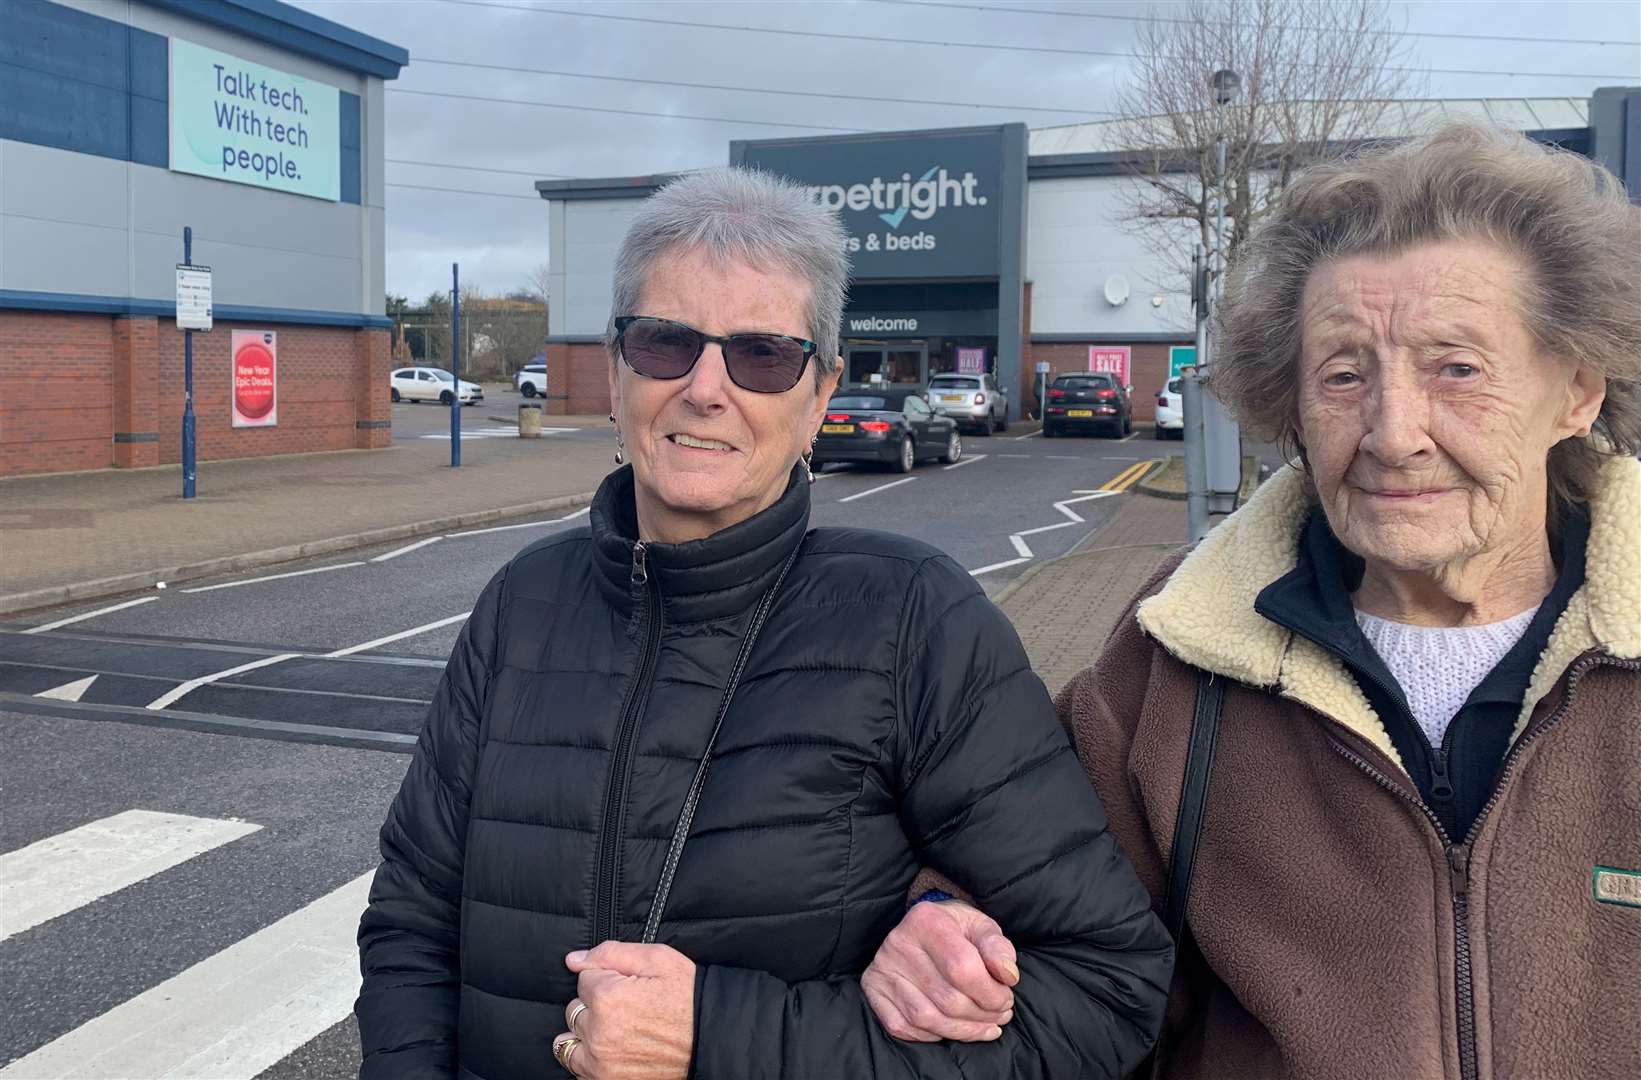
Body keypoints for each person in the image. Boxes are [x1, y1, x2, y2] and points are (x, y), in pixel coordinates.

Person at [355, 167, 1173, 1080]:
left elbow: (1106, 990)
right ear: (619, 369)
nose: (706, 388)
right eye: (667, 341)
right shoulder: (521, 604)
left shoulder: (913, 623)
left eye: (761, 356)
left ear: (819, 395)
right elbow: (413, 922)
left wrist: (723, 1037)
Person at [859, 124, 1641, 1078]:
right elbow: (1026, 877)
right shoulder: (1184, 646)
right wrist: (938, 922)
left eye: (1456, 369)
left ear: (1575, 393)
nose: (1393, 435)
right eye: (1343, 375)